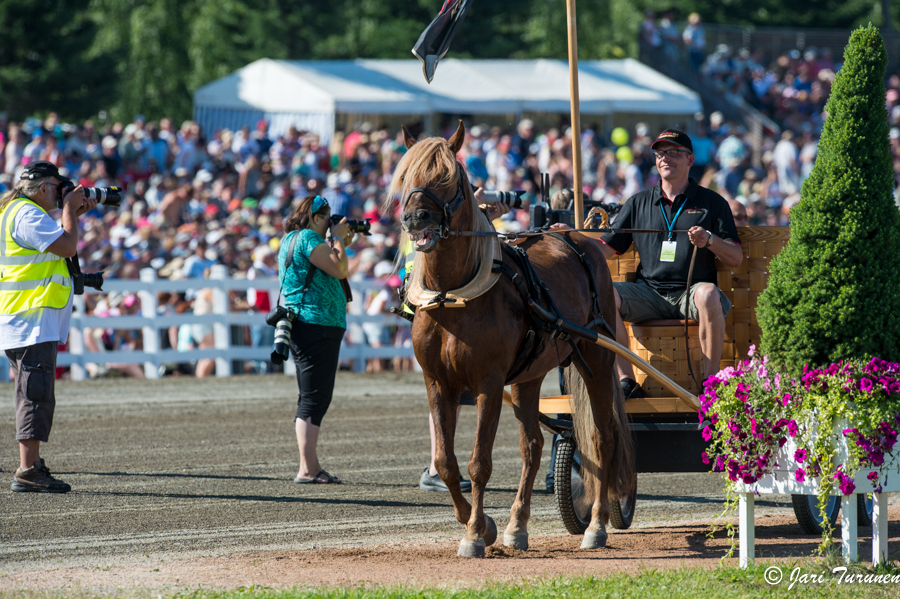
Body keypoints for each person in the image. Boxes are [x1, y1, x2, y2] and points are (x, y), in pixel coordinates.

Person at [590, 130, 743, 397]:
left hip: (691, 293)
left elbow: (735, 257)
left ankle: (711, 386)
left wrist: (709, 240)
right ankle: (626, 381)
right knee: (602, 292)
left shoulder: (712, 202)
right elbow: (605, 248)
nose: (665, 158)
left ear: (690, 159)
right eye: (660, 153)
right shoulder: (638, 202)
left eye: (673, 153)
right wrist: (569, 239)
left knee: (707, 293)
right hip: (648, 292)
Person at [1, 160, 98, 492]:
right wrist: (70, 209)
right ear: (44, 188)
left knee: (32, 392)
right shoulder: (27, 215)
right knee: (35, 394)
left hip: (24, 319)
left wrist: (73, 213)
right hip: (31, 320)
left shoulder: (16, 212)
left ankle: (32, 464)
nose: (61, 195)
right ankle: (27, 470)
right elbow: (68, 247)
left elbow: (54, 245)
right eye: (59, 189)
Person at [412, 189, 509, 492]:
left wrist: (485, 216)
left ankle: (436, 465)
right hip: (432, 300)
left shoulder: (429, 209)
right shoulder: (430, 213)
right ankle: (435, 466)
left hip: (438, 300)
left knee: (448, 393)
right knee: (444, 390)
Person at [279, 194, 354, 484]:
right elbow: (340, 268)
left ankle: (309, 466)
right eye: (326, 219)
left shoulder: (291, 238)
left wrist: (337, 240)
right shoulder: (310, 238)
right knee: (314, 398)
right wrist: (339, 240)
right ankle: (308, 469)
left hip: (306, 323)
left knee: (310, 396)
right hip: (316, 324)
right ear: (316, 217)